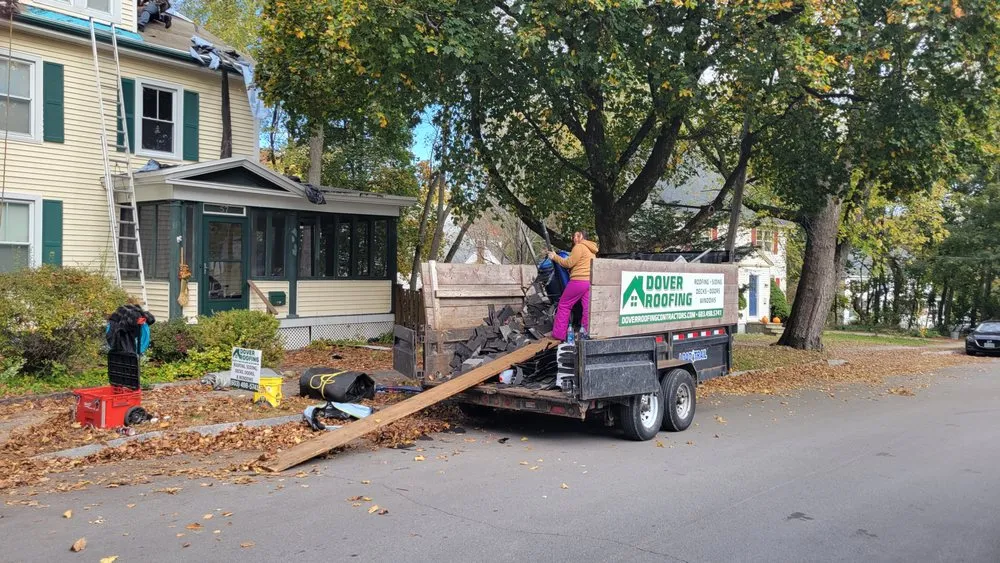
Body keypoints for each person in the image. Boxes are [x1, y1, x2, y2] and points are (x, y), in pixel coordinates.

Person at [548, 231, 598, 341]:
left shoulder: (579, 247)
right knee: (587, 309)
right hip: (589, 281)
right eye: (574, 236)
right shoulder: (592, 250)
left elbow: (568, 263)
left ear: (583, 237)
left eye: (578, 235)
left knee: (564, 305)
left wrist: (554, 257)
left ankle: (559, 334)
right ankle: (586, 333)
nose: (574, 238)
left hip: (578, 281)